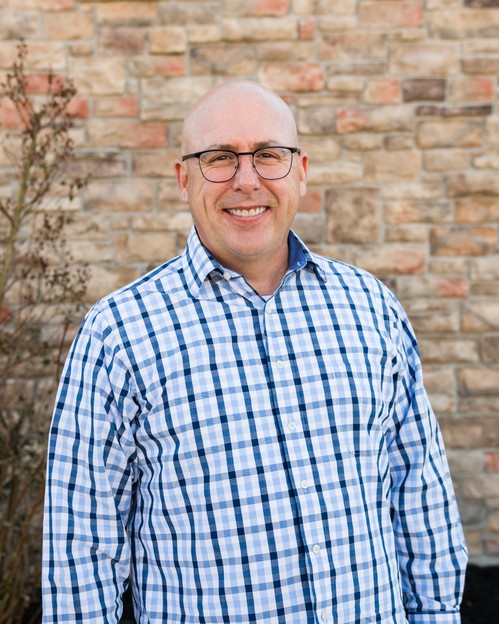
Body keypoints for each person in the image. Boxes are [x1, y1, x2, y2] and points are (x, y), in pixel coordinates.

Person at [42, 79, 467, 623]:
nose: (247, 180)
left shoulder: (371, 308)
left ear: (301, 171)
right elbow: (81, 550)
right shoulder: (118, 336)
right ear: (184, 179)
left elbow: (420, 492)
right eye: (220, 158)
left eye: (269, 155)